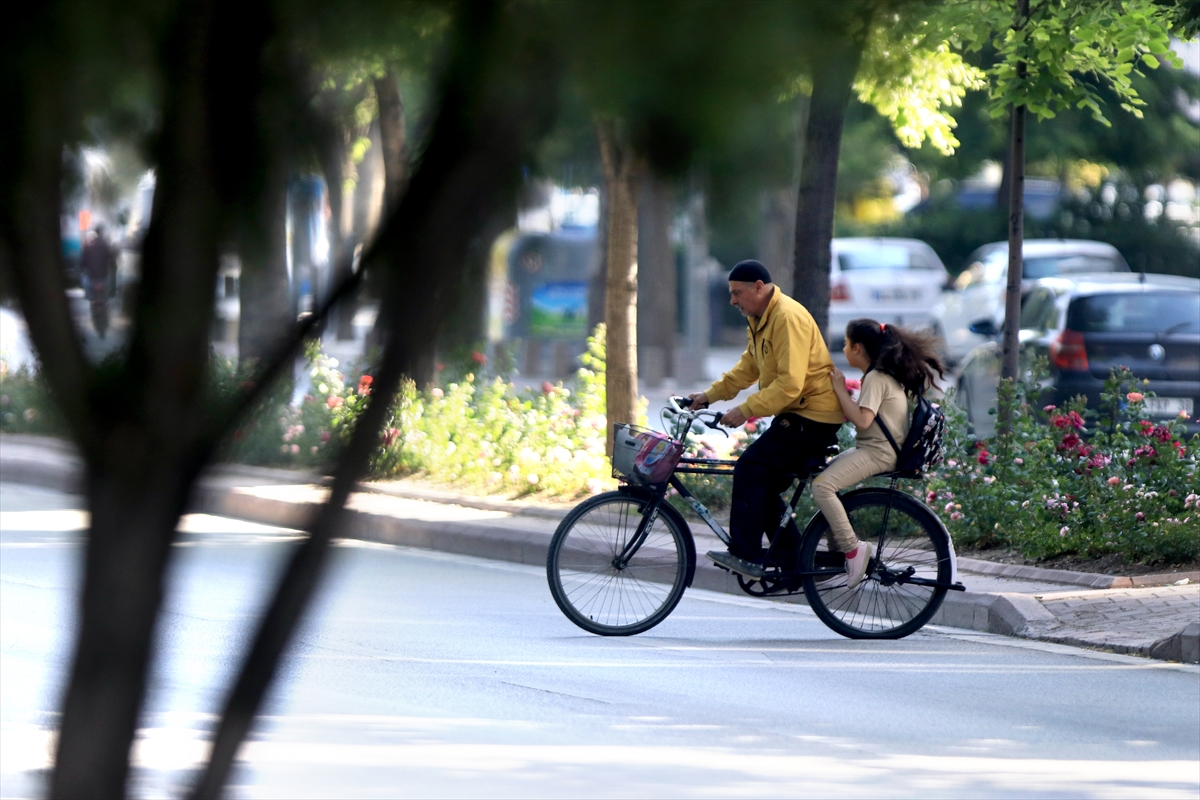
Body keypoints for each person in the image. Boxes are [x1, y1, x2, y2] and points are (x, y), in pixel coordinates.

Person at [688, 260, 844, 579]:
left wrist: (745, 410)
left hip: (813, 415)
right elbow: (748, 367)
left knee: (751, 468)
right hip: (799, 413)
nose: (732, 300)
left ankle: (746, 554)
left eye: (737, 293)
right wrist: (708, 396)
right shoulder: (761, 318)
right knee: (764, 483)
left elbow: (790, 384)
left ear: (759, 288)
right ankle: (793, 559)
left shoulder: (786, 317)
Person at [818, 319, 946, 587]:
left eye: (846, 344)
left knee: (822, 487)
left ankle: (852, 550)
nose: (844, 348)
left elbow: (863, 420)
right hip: (876, 450)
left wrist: (840, 389)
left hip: (878, 453)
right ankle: (836, 550)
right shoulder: (881, 376)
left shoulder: (876, 378)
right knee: (822, 476)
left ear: (857, 348)